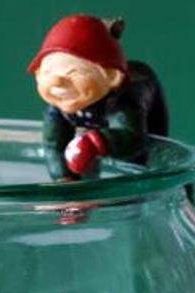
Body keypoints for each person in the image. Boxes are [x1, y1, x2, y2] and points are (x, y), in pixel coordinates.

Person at [29, 15, 168, 181]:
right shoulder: (59, 107)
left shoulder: (124, 99)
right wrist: (63, 178)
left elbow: (132, 137)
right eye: (47, 73)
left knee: (138, 164)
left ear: (112, 76)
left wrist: (98, 143)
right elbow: (54, 146)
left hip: (139, 128)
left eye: (73, 72)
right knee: (83, 163)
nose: (56, 82)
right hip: (92, 128)